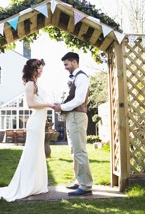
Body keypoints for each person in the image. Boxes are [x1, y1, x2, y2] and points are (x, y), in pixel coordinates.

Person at [0, 58, 54, 202]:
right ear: (33, 69)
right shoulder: (30, 84)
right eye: (39, 68)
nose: (41, 71)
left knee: (38, 154)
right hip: (35, 123)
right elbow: (30, 104)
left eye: (42, 68)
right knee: (32, 154)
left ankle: (36, 184)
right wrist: (49, 105)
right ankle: (26, 185)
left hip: (40, 123)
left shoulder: (35, 83)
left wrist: (50, 105)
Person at [53, 52, 93, 196]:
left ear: (74, 62)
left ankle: (86, 186)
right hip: (72, 117)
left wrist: (61, 107)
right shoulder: (75, 77)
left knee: (80, 150)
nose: (65, 67)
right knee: (74, 150)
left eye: (66, 64)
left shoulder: (81, 77)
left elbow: (79, 100)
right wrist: (61, 105)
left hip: (77, 116)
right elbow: (72, 98)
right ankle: (79, 180)